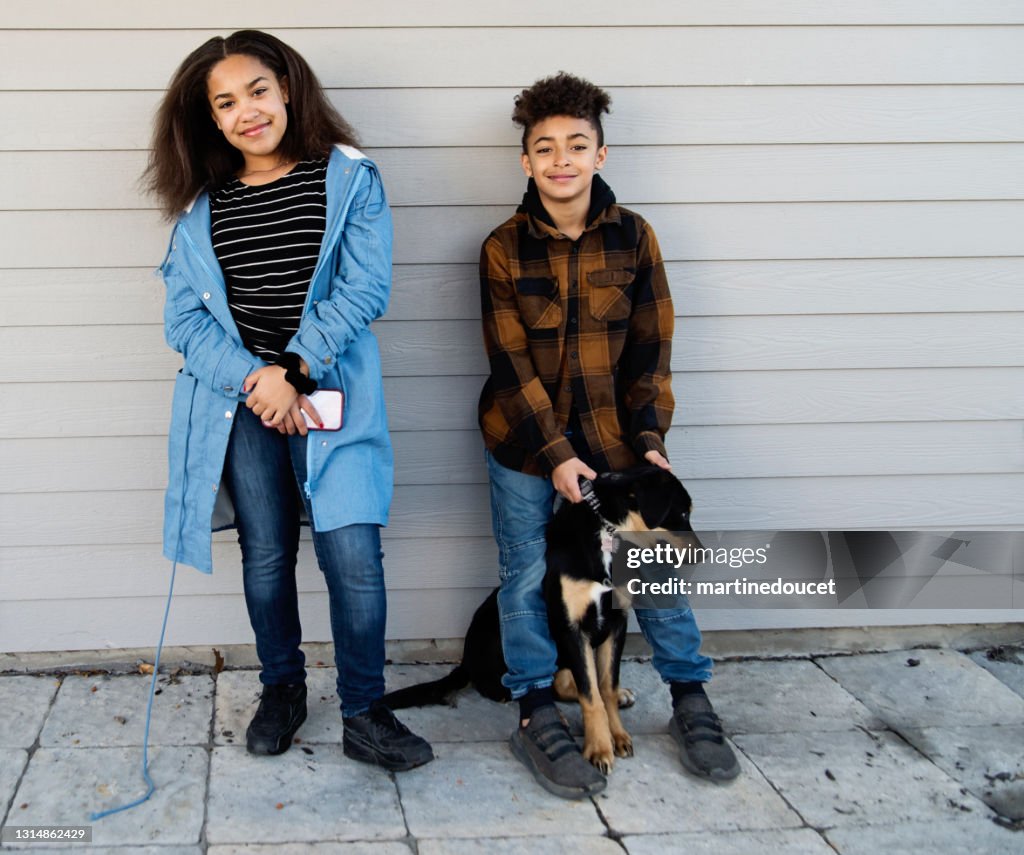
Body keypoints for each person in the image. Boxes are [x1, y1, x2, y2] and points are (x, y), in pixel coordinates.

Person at [146, 30, 432, 771]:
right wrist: (256, 380)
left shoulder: (346, 178)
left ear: (289, 90)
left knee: (353, 554)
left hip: (329, 391)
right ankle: (282, 688)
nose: (247, 111)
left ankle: (366, 711)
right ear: (211, 120)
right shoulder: (199, 211)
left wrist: (294, 370)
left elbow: (365, 286)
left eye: (258, 91)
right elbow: (184, 320)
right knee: (266, 553)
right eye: (226, 102)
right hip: (241, 407)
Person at [478, 72, 740, 798]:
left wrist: (651, 438)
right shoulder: (502, 248)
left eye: (577, 144)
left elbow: (653, 349)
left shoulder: (635, 236)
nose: (561, 159)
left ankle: (689, 693)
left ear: (600, 152)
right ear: (526, 162)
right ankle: (536, 708)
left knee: (650, 569)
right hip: (525, 444)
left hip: (621, 444)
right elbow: (509, 363)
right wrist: (558, 457)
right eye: (544, 148)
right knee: (529, 573)